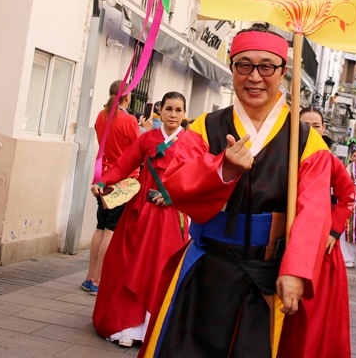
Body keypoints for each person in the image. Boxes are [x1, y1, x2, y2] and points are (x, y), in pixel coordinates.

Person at [138, 24, 332, 358]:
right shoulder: (205, 126)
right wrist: (221, 170)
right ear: (232, 68)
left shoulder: (307, 142)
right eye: (244, 64)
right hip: (205, 266)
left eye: (266, 66)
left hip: (268, 276)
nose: (255, 76)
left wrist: (296, 271)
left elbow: (314, 211)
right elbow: (175, 183)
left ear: (283, 72)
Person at [92, 92, 191, 347]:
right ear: (160, 111)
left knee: (160, 269)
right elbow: (123, 164)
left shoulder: (191, 142)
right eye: (168, 109)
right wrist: (102, 181)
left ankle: (153, 328)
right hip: (141, 212)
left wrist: (174, 194)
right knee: (126, 265)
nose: (173, 114)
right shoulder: (147, 138)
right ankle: (128, 325)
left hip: (170, 216)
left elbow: (197, 177)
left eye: (178, 110)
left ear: (184, 113)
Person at [277, 108, 355, 358]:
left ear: (324, 129)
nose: (311, 128)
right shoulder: (283, 155)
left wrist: (333, 231)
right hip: (282, 240)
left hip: (319, 248)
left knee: (313, 315)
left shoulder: (331, 161)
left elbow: (348, 195)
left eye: (317, 124)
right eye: (304, 123)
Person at [81, 80, 141, 295]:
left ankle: (89, 276)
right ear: (127, 96)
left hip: (103, 178)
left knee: (100, 226)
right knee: (111, 230)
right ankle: (98, 279)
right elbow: (138, 149)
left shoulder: (101, 115)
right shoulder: (129, 120)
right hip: (123, 181)